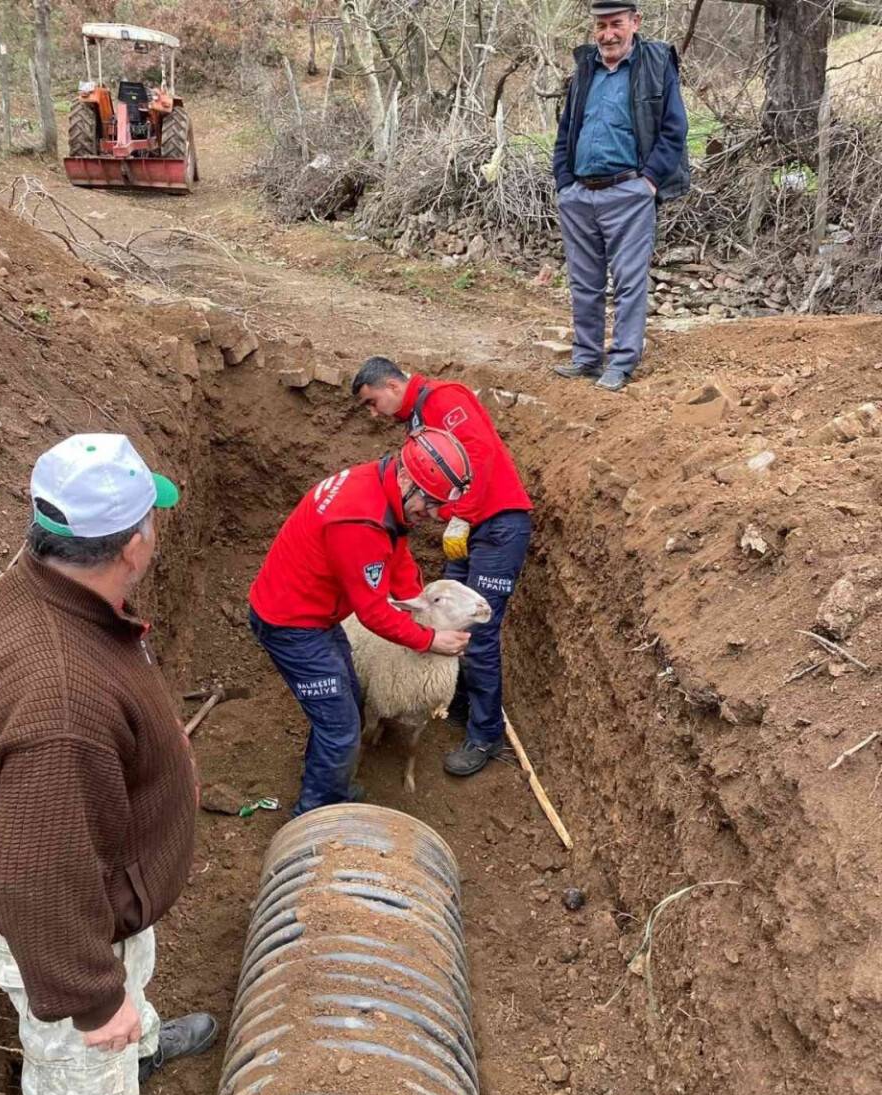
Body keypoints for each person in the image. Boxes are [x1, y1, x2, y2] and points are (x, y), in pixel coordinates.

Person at [0, 434, 217, 1095]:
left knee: (116, 1017)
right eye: (153, 520)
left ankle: (133, 1037)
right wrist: (94, 1002)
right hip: (70, 935)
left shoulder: (37, 587)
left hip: (101, 894)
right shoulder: (58, 703)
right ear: (135, 544)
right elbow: (42, 878)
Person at [249, 431, 472, 813]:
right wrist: (428, 638)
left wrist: (416, 601)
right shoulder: (359, 522)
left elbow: (397, 550)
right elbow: (371, 612)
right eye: (431, 503)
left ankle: (326, 781)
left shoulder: (382, 489)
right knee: (340, 728)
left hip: (315, 613)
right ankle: (315, 811)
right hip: (292, 625)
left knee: (347, 702)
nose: (434, 515)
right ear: (407, 479)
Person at [351, 357, 533, 778]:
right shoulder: (418, 416)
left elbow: (481, 451)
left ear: (393, 385)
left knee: (480, 634)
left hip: (497, 525)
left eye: (372, 402)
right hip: (471, 528)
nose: (374, 412)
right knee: (442, 619)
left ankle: (486, 735)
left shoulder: (443, 400)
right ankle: (465, 705)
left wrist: (464, 514)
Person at [552, 0, 689, 392]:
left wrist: (648, 182)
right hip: (580, 194)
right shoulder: (585, 68)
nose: (607, 34)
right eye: (601, 26)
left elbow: (674, 129)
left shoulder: (656, 64)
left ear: (634, 22)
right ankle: (586, 357)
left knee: (629, 282)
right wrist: (564, 181)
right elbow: (566, 130)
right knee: (584, 282)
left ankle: (623, 362)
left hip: (629, 192)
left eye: (616, 24)